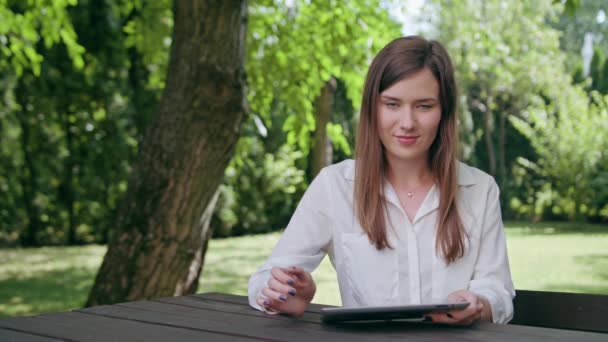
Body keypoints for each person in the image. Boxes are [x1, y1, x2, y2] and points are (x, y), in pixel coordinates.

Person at [247, 35, 515, 325]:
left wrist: (479, 304)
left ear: (444, 112)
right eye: (392, 104)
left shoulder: (480, 189)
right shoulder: (334, 185)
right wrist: (284, 293)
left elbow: (497, 290)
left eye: (424, 106)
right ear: (372, 108)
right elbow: (265, 279)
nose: (407, 122)